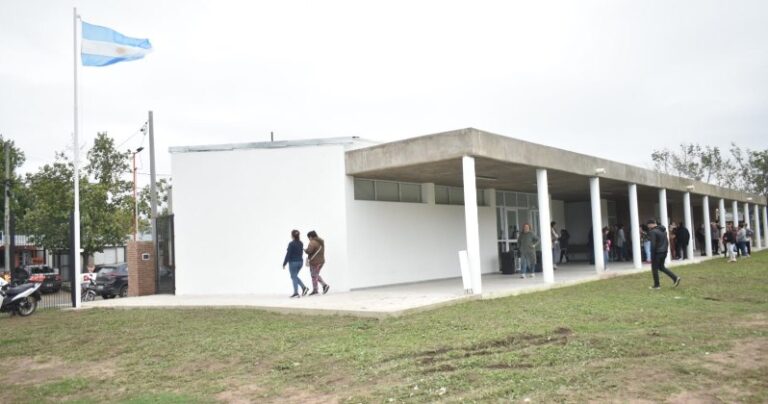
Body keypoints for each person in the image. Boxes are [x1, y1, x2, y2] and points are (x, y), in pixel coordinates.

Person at [647, 219, 681, 289]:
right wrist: (666, 251)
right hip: (664, 252)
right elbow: (667, 241)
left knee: (654, 269)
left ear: (650, 224)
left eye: (648, 226)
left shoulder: (653, 232)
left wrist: (652, 254)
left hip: (657, 253)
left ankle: (657, 285)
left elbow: (653, 245)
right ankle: (675, 278)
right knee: (661, 267)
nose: (648, 227)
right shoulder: (663, 231)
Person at [282, 230, 309, 298]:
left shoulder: (291, 244)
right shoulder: (301, 243)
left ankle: (296, 292)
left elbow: (288, 254)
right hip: (300, 262)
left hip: (293, 262)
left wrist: (284, 263)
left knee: (294, 277)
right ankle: (304, 288)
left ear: (292, 236)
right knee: (294, 277)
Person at [305, 230, 330, 295]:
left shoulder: (312, 242)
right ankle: (323, 286)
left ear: (310, 236)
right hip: (321, 261)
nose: (308, 239)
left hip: (315, 262)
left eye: (308, 237)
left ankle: (317, 289)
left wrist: (306, 250)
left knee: (314, 276)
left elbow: (309, 251)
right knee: (315, 275)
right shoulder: (320, 242)